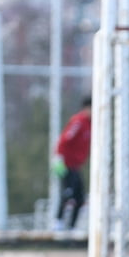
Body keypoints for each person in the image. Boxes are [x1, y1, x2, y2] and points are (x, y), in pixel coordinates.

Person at [52, 96, 92, 231]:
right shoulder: (78, 122)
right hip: (66, 163)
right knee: (68, 193)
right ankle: (58, 223)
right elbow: (65, 140)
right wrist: (59, 158)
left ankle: (72, 227)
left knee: (80, 197)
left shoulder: (90, 124)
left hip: (76, 165)